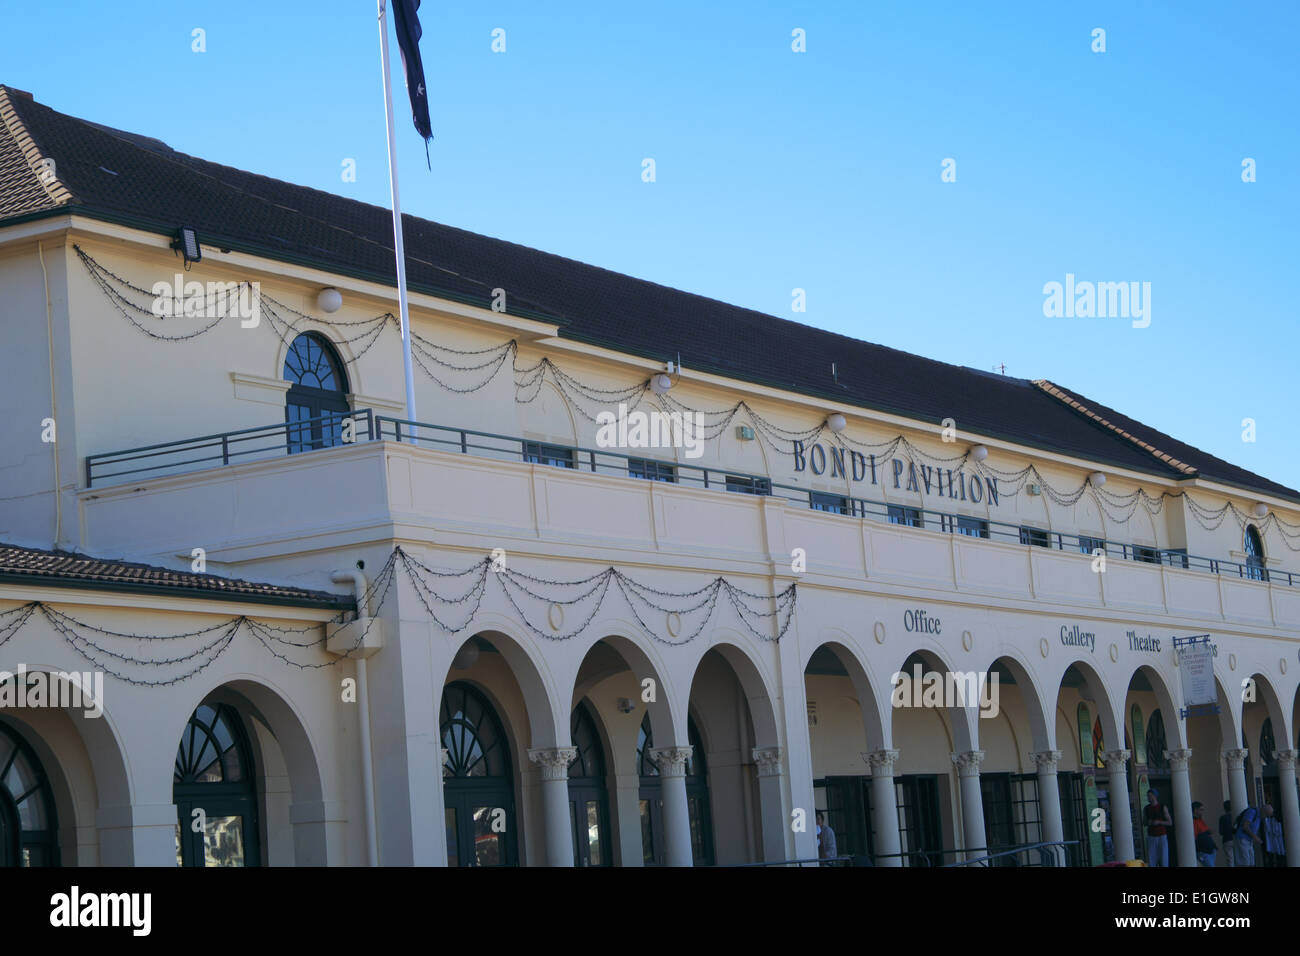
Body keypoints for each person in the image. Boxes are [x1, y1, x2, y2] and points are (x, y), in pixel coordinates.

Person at [1143, 789, 1172, 867]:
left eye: (1150, 796)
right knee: (1151, 859)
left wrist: (1159, 822)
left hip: (1161, 835)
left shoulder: (1162, 807)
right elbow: (1144, 822)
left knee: (1164, 858)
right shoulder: (1146, 808)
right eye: (1148, 796)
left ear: (1155, 796)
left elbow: (1170, 822)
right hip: (1151, 836)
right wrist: (1148, 822)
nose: (1148, 798)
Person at [1192, 802, 1216, 867]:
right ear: (1195, 810)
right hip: (1202, 851)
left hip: (1210, 849)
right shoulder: (1192, 821)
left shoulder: (1200, 820)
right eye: (1201, 809)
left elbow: (1206, 830)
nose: (1203, 811)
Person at [1218, 801, 1236, 867]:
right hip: (1236, 839)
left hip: (1227, 840)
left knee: (1230, 859)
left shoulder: (1222, 818)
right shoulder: (1235, 816)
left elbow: (1221, 832)